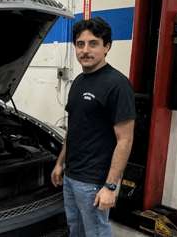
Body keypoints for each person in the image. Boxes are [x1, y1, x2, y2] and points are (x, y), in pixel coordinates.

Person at [51, 17, 136, 237]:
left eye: (93, 43)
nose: (85, 50)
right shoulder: (78, 81)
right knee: (75, 229)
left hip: (94, 181)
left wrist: (110, 186)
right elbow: (75, 128)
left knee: (96, 232)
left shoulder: (117, 84)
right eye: (80, 44)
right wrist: (60, 163)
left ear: (107, 46)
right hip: (72, 177)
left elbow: (125, 139)